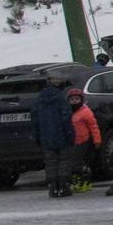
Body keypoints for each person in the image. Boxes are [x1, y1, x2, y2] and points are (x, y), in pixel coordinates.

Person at [31, 71, 75, 199]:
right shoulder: (61, 97)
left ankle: (53, 187)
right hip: (61, 135)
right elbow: (66, 118)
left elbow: (35, 119)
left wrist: (37, 136)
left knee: (50, 161)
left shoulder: (40, 97)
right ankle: (63, 185)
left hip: (46, 136)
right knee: (64, 160)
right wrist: (71, 135)